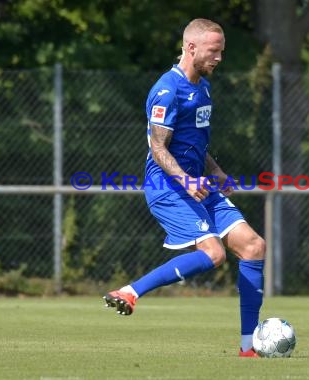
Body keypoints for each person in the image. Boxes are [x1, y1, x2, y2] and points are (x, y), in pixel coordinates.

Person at [103, 18, 266, 358]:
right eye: (214, 51)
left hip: (199, 185)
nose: (219, 58)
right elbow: (158, 147)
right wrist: (186, 180)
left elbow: (193, 142)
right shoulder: (167, 89)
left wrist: (215, 170)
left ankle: (248, 347)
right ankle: (131, 292)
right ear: (191, 48)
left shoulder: (203, 87)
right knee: (214, 253)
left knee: (253, 246)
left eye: (221, 51)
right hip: (168, 187)